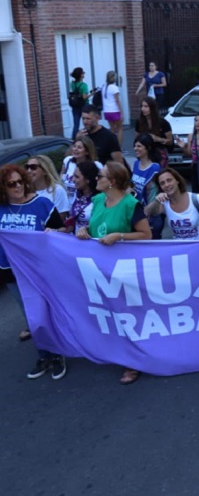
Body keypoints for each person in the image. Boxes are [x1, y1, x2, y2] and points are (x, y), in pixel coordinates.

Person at [76, 162, 152, 384]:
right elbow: (96, 228)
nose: (96, 179)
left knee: (128, 315)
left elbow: (146, 235)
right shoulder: (98, 200)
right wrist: (84, 230)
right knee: (109, 313)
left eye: (100, 176)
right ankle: (116, 351)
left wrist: (119, 236)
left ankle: (133, 362)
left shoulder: (131, 204)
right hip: (100, 270)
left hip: (125, 270)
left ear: (113, 182)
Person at [0, 165, 67, 369]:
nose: (18, 186)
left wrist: (53, 233)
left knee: (45, 313)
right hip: (10, 272)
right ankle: (44, 355)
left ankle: (57, 354)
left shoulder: (41, 204)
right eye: (12, 184)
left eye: (21, 181)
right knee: (31, 316)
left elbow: (63, 229)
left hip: (38, 270)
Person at [147, 168, 199, 241]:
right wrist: (156, 201)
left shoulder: (196, 199)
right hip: (179, 249)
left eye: (169, 180)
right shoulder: (165, 204)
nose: (167, 185)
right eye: (162, 183)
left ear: (177, 181)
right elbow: (147, 213)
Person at [131, 134, 165, 238]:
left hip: (150, 214)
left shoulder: (155, 168)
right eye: (135, 146)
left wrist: (146, 213)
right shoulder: (136, 164)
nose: (135, 149)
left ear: (148, 148)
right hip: (137, 210)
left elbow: (153, 194)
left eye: (139, 146)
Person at [135, 96, 173, 166]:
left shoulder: (163, 122)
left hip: (159, 152)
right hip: (145, 153)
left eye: (146, 106)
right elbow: (136, 139)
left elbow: (170, 141)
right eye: (142, 106)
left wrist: (158, 139)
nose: (143, 109)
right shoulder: (139, 122)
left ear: (152, 108)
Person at [64, 161, 99, 234]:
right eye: (73, 176)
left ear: (88, 180)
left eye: (77, 177)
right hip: (77, 240)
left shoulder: (99, 199)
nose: (73, 179)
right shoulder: (77, 195)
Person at [100, 70, 125, 148]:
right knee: (120, 129)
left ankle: (111, 146)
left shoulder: (104, 87)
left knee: (112, 129)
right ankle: (118, 147)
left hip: (107, 111)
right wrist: (122, 112)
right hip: (115, 111)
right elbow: (117, 101)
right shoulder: (114, 88)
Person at [68, 67, 89, 139]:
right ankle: (88, 138)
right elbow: (84, 97)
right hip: (84, 105)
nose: (84, 74)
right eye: (83, 73)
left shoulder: (72, 83)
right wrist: (91, 94)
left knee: (76, 124)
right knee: (87, 122)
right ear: (81, 75)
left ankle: (74, 139)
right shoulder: (84, 85)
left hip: (75, 106)